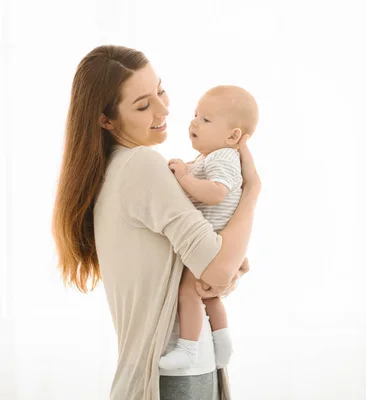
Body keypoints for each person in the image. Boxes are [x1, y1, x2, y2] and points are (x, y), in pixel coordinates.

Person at [52, 45, 261, 400]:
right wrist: (253, 190)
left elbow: (205, 267)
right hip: (171, 375)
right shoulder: (142, 166)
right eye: (142, 104)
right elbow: (216, 272)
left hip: (159, 370)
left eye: (160, 91)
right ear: (106, 120)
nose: (164, 109)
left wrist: (226, 266)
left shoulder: (114, 168)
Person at [159, 85, 259, 371]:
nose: (194, 123)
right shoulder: (209, 158)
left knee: (189, 291)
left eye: (205, 119)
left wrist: (184, 178)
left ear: (233, 136)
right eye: (195, 115)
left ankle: (187, 348)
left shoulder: (224, 158)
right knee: (210, 294)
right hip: (217, 239)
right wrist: (188, 170)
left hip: (215, 240)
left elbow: (217, 193)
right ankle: (223, 340)